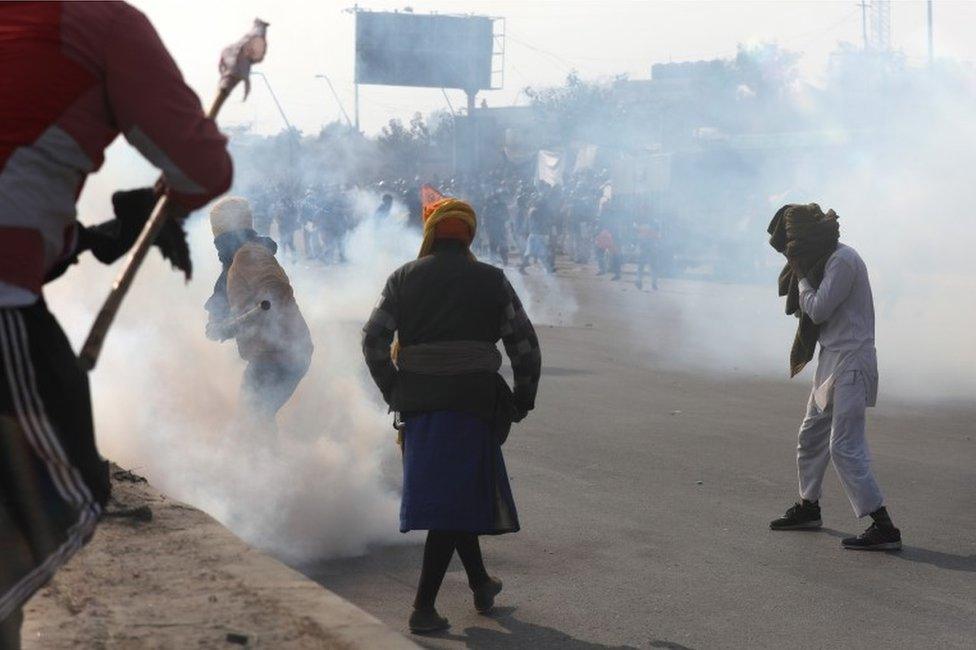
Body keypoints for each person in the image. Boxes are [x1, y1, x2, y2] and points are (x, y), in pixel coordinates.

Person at [0, 2, 232, 646]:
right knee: (70, 494)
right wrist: (160, 208)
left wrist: (91, 237)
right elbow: (202, 166)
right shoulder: (99, 23)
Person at [362, 198, 541, 634]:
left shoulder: (404, 278)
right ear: (469, 235)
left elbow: (373, 340)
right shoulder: (492, 281)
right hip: (474, 405)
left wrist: (394, 388)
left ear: (431, 233)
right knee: (452, 504)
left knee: (452, 497)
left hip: (420, 406)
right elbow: (524, 346)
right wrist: (521, 400)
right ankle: (423, 608)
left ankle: (481, 583)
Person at [767, 204, 901, 551]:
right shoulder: (823, 261)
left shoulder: (842, 261)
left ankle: (883, 525)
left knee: (844, 446)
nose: (792, 253)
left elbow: (818, 308)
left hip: (852, 362)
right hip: (833, 359)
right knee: (810, 436)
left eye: (795, 244)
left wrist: (800, 278)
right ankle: (808, 507)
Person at [205, 197, 313, 429]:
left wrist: (238, 324)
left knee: (253, 417)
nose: (217, 245)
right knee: (255, 416)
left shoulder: (249, 254)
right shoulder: (237, 261)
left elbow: (274, 293)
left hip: (280, 355)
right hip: (276, 354)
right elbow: (227, 300)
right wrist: (219, 322)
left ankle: (267, 464)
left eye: (219, 239)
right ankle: (267, 461)